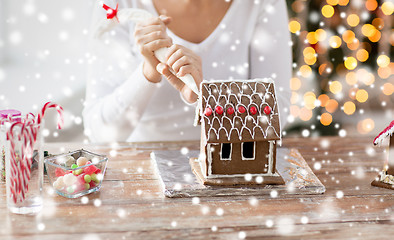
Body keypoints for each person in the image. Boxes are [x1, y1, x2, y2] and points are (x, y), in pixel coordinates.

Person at [83, 0, 292, 142]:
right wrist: (148, 72)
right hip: (142, 176)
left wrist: (206, 98)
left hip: (229, 173)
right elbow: (99, 131)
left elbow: (276, 115)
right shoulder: (117, 5)